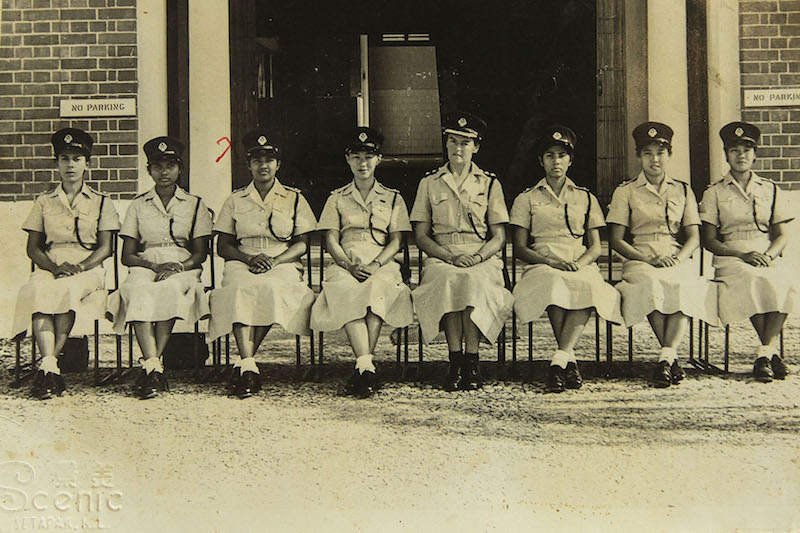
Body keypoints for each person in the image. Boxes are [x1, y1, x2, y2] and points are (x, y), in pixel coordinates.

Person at [510, 126, 623, 393]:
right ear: (541, 161)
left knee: (587, 284)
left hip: (577, 259)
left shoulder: (585, 197)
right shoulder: (526, 198)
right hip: (542, 262)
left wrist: (580, 262)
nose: (556, 161)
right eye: (550, 155)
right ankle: (567, 360)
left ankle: (560, 360)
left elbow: (596, 246)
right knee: (553, 283)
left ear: (570, 160)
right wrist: (549, 262)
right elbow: (519, 247)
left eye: (562, 155)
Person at [208, 130, 317, 398]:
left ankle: (244, 364)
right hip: (243, 259)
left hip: (282, 260)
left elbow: (302, 243)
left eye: (269, 160)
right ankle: (248, 365)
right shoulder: (235, 199)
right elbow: (223, 245)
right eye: (257, 160)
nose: (263, 165)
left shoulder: (294, 198)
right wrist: (248, 258)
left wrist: (275, 260)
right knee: (239, 290)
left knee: (270, 289)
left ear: (278, 164)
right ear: (248, 165)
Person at [607, 122, 717, 387]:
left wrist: (679, 259)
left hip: (674, 253)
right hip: (640, 255)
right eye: (647, 153)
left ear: (669, 154)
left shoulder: (682, 190)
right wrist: (646, 259)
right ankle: (669, 356)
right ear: (638, 156)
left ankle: (666, 356)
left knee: (683, 282)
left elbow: (693, 236)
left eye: (660, 152)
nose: (654, 159)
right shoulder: (626, 191)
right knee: (650, 283)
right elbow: (616, 240)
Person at [13, 128, 120, 399]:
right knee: (38, 290)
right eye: (64, 158)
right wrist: (53, 268)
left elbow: (106, 247)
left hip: (88, 268)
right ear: (56, 163)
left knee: (68, 291)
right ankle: (51, 367)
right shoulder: (44, 201)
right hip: (52, 264)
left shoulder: (101, 201)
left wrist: (81, 267)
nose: (70, 165)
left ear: (87, 163)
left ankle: (48, 367)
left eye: (76, 158)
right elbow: (33, 247)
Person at [409, 112, 513, 391]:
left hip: (481, 253)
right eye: (453, 141)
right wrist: (449, 257)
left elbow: (499, 236)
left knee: (473, 281)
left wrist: (478, 257)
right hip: (443, 253)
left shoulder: (489, 183)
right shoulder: (429, 183)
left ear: (476, 147)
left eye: (465, 143)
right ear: (446, 144)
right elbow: (421, 235)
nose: (458, 148)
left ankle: (472, 361)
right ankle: (455, 360)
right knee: (447, 280)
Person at [106, 137, 213, 399]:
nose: (163, 172)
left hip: (182, 264)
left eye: (170, 165)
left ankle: (151, 366)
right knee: (136, 290)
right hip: (146, 263)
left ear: (180, 169)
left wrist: (178, 265)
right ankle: (154, 365)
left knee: (169, 289)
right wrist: (153, 265)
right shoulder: (138, 205)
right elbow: (127, 255)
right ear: (149, 170)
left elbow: (200, 253)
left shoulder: (195, 204)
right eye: (157, 166)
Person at [310, 127, 414, 398]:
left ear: (378, 160)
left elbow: (396, 241)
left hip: (382, 260)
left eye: (368, 157)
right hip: (347, 260)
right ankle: (366, 365)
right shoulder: (336, 198)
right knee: (346, 289)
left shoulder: (393, 197)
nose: (362, 163)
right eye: (356, 157)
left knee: (377, 287)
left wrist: (377, 264)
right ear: (348, 160)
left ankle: (363, 366)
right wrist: (348, 265)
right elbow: (331, 240)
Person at [699, 121, 795, 382]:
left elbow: (781, 235)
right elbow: (708, 240)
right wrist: (741, 255)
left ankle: (765, 352)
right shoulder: (714, 192)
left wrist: (770, 255)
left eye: (746, 149)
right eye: (734, 150)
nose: (741, 155)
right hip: (731, 254)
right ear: (726, 154)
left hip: (765, 251)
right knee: (752, 278)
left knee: (785, 279)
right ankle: (769, 353)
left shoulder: (770, 189)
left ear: (755, 154)